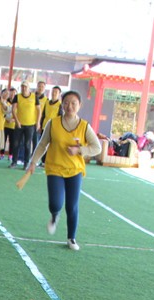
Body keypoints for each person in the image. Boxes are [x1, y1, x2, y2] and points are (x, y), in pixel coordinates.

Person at [23, 90, 102, 251]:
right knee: (55, 203)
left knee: (72, 206)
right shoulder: (53, 123)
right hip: (55, 168)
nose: (70, 106)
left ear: (79, 105)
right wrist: (33, 162)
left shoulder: (85, 126)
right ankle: (54, 215)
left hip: (74, 170)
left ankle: (71, 238)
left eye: (73, 103)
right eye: (66, 102)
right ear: (62, 104)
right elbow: (42, 144)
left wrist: (80, 150)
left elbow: (97, 148)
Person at [10, 81, 39, 168]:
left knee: (27, 144)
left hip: (30, 125)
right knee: (16, 143)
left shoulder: (34, 97)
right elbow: (13, 109)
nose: (24, 88)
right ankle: (14, 162)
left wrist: (38, 122)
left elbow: (39, 110)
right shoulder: (17, 96)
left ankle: (26, 163)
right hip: (19, 124)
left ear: (28, 88)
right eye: (22, 87)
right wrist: (17, 121)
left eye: (25, 87)